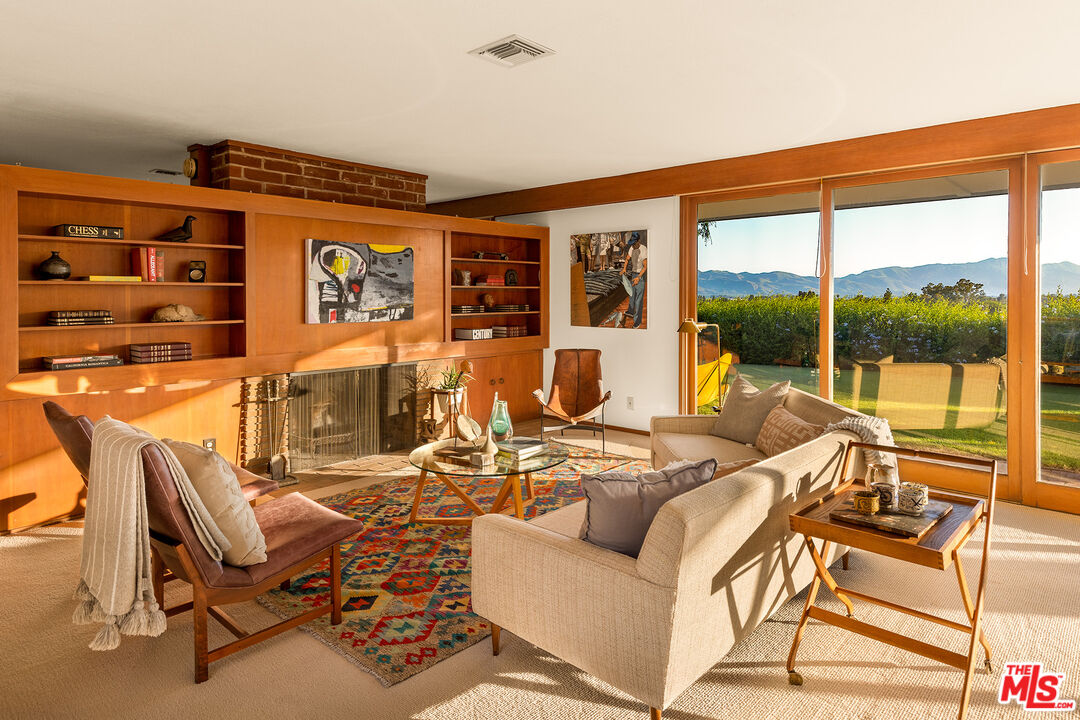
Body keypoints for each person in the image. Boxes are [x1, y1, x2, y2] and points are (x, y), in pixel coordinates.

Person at [621, 231, 647, 328]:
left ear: (638, 241)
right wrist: (624, 269)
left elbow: (645, 266)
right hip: (633, 274)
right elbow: (627, 259)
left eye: (635, 243)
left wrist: (638, 278)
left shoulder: (643, 249)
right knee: (632, 295)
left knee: (638, 301)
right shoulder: (632, 248)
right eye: (632, 243)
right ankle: (631, 311)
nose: (634, 246)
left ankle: (637, 322)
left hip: (640, 276)